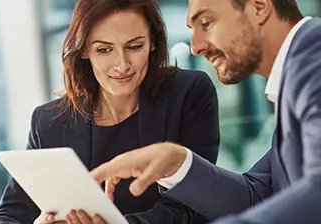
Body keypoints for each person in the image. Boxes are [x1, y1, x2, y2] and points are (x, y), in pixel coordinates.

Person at [0, 0, 220, 223]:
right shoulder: (49, 121)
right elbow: (9, 213)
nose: (122, 65)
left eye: (134, 46)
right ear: (84, 50)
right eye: (104, 50)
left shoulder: (189, 93)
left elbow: (189, 204)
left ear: (153, 43)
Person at [92, 0, 321, 223]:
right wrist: (177, 163)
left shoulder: (314, 60)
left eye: (207, 22)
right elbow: (257, 196)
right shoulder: (298, 72)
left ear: (259, 6)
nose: (196, 47)